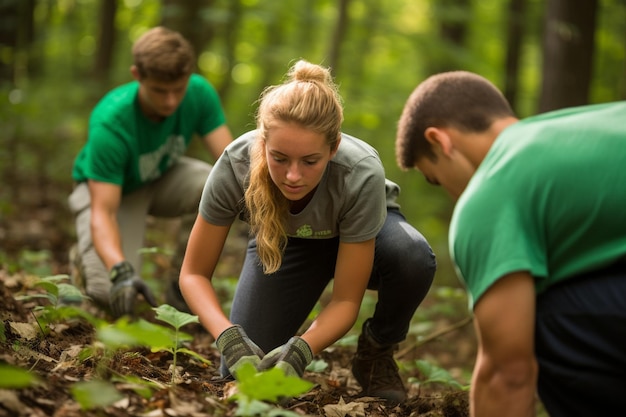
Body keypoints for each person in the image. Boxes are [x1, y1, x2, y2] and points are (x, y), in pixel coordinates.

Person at [179, 59, 436, 403]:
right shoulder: (235, 164)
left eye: (310, 161)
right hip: (289, 243)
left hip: (365, 238)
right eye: (279, 158)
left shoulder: (359, 171)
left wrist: (302, 350)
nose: (293, 176)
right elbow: (194, 273)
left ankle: (376, 352)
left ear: (333, 147)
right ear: (262, 143)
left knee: (413, 256)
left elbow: (346, 299)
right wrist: (228, 336)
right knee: (243, 370)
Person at [395, 70, 626, 416]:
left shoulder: (491, 189)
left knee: (544, 319)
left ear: (440, 141)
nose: (452, 194)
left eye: (435, 178)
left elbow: (507, 374)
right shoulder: (578, 129)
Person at [68, 26, 233, 318]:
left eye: (177, 90)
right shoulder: (112, 122)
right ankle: (84, 260)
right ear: (137, 75)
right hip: (110, 192)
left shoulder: (199, 93)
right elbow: (103, 212)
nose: (170, 101)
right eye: (159, 91)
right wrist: (120, 271)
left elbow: (232, 163)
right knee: (108, 293)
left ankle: (183, 293)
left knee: (219, 185)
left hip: (161, 176)